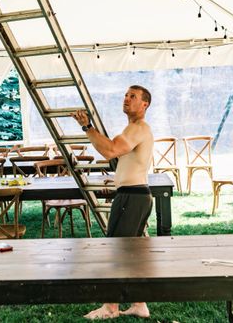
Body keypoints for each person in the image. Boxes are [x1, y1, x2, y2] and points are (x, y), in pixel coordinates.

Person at [71, 85, 155, 320]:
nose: (126, 99)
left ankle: (110, 307)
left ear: (144, 104)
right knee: (132, 254)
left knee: (115, 252)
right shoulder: (133, 129)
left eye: (133, 97)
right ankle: (139, 304)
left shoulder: (139, 128)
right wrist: (117, 179)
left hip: (132, 197)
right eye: (126, 95)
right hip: (134, 195)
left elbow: (109, 150)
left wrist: (87, 127)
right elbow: (123, 158)